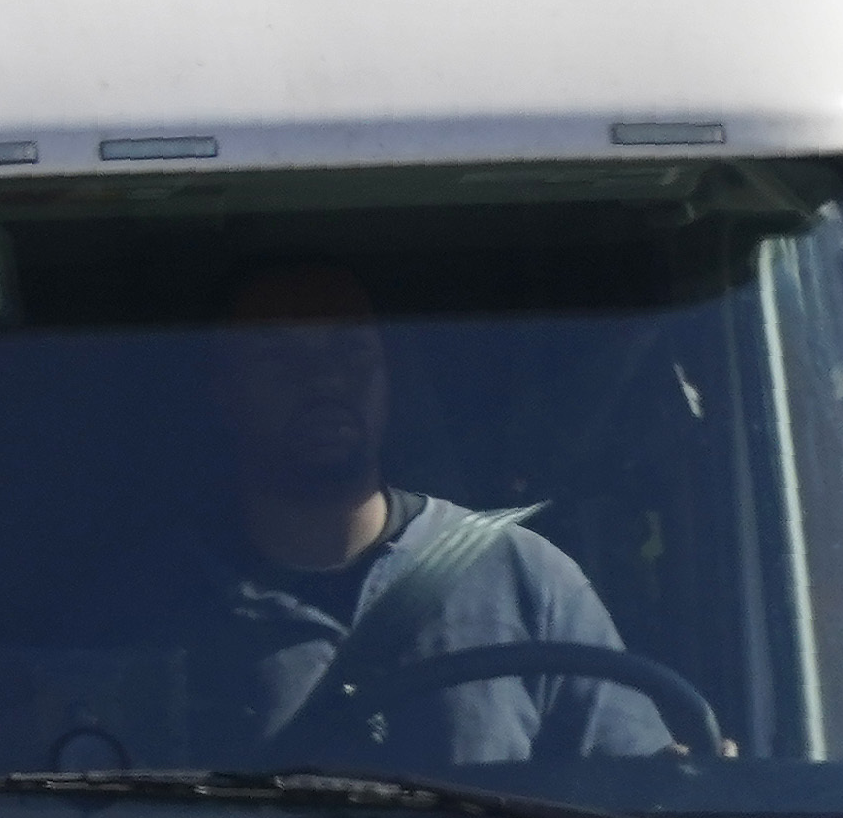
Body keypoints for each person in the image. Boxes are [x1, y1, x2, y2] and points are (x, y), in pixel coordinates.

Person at [170, 264, 675, 768]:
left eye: (350, 349)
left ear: (387, 377)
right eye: (279, 355)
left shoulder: (526, 578)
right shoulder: (156, 606)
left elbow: (636, 803)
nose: (324, 377)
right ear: (223, 387)